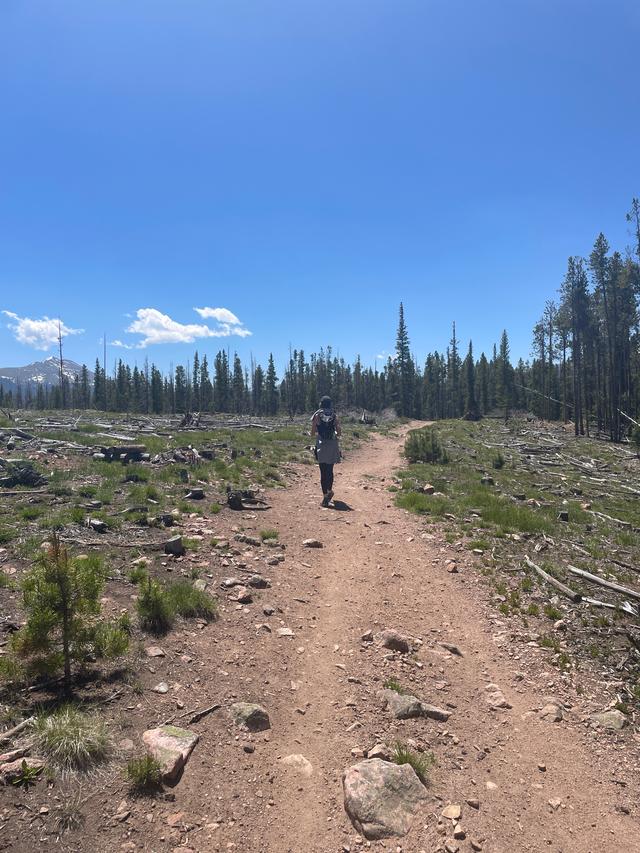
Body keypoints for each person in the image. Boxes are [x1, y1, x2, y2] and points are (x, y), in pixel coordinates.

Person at [310, 395, 342, 506]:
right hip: (332, 445)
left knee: (322, 471)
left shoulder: (317, 415)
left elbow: (313, 432)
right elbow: (339, 431)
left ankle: (325, 496)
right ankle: (329, 491)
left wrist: (317, 433)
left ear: (321, 404)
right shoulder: (334, 415)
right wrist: (335, 434)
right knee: (330, 470)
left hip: (321, 444)